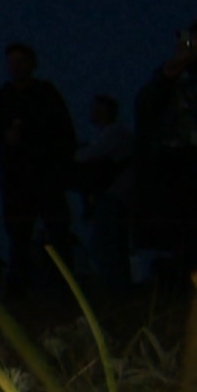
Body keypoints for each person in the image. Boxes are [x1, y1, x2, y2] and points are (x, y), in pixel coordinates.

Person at [0, 43, 76, 297]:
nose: (15, 67)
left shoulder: (46, 93)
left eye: (20, 62)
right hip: (15, 179)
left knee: (58, 232)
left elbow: (66, 132)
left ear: (31, 64)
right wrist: (5, 135)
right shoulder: (3, 96)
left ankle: (65, 290)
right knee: (18, 235)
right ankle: (19, 292)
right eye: (11, 63)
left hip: (47, 176)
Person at [132, 21, 197, 281]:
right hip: (178, 167)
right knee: (183, 231)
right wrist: (167, 76)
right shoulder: (171, 77)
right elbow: (145, 110)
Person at [72, 94, 134, 293]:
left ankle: (117, 288)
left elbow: (88, 156)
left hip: (114, 197)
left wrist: (71, 153)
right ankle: (118, 287)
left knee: (106, 244)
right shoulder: (108, 134)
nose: (92, 113)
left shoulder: (116, 134)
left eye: (96, 109)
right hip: (113, 197)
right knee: (110, 244)